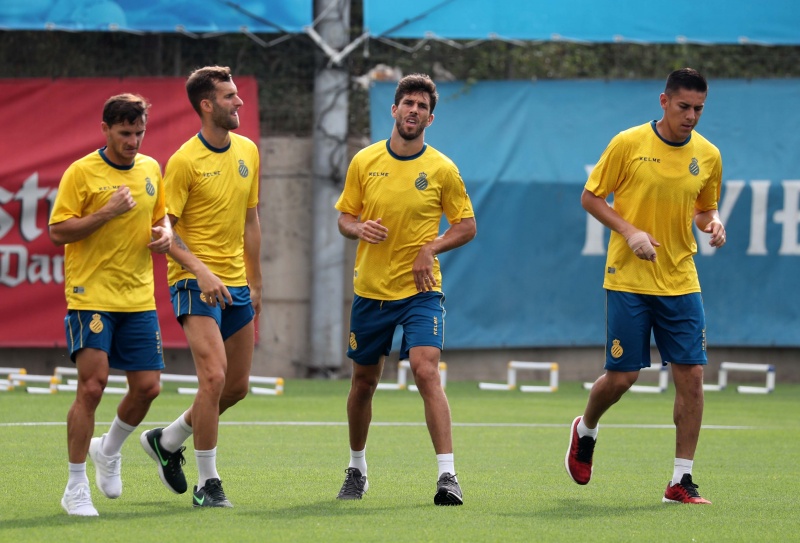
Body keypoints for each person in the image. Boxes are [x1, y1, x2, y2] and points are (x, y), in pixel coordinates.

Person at [565, 68, 726, 505]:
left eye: (698, 109)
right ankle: (586, 429)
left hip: (681, 278)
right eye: (683, 107)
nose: (691, 116)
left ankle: (681, 481)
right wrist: (631, 232)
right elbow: (591, 197)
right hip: (629, 279)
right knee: (622, 378)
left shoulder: (709, 155)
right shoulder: (628, 143)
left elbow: (702, 209)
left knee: (692, 377)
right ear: (663, 101)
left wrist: (713, 222)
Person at [334, 73, 477, 506]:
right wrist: (358, 226)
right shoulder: (365, 161)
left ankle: (448, 476)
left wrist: (430, 248)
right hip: (372, 291)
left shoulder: (442, 169)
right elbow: (344, 219)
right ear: (393, 110)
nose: (413, 111)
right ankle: (357, 469)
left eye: (421, 106)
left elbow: (467, 226)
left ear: (430, 118)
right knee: (363, 383)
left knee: (425, 369)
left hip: (421, 290)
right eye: (407, 104)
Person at [140, 65, 262, 509]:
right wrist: (202, 271)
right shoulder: (185, 161)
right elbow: (163, 232)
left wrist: (256, 279)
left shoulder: (248, 150)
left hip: (237, 285)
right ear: (207, 105)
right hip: (193, 281)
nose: (239, 102)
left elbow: (251, 221)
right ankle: (208, 485)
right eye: (230, 96)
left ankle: (167, 439)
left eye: (238, 95)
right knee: (213, 377)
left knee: (235, 388)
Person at [50, 93, 172, 516]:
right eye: (124, 133)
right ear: (105, 129)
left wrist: (166, 233)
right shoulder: (81, 172)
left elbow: (161, 216)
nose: (133, 141)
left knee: (148, 388)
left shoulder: (151, 168)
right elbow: (58, 231)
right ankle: (75, 485)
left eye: (139, 132)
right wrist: (105, 212)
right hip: (91, 295)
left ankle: (110, 449)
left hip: (138, 296)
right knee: (93, 385)